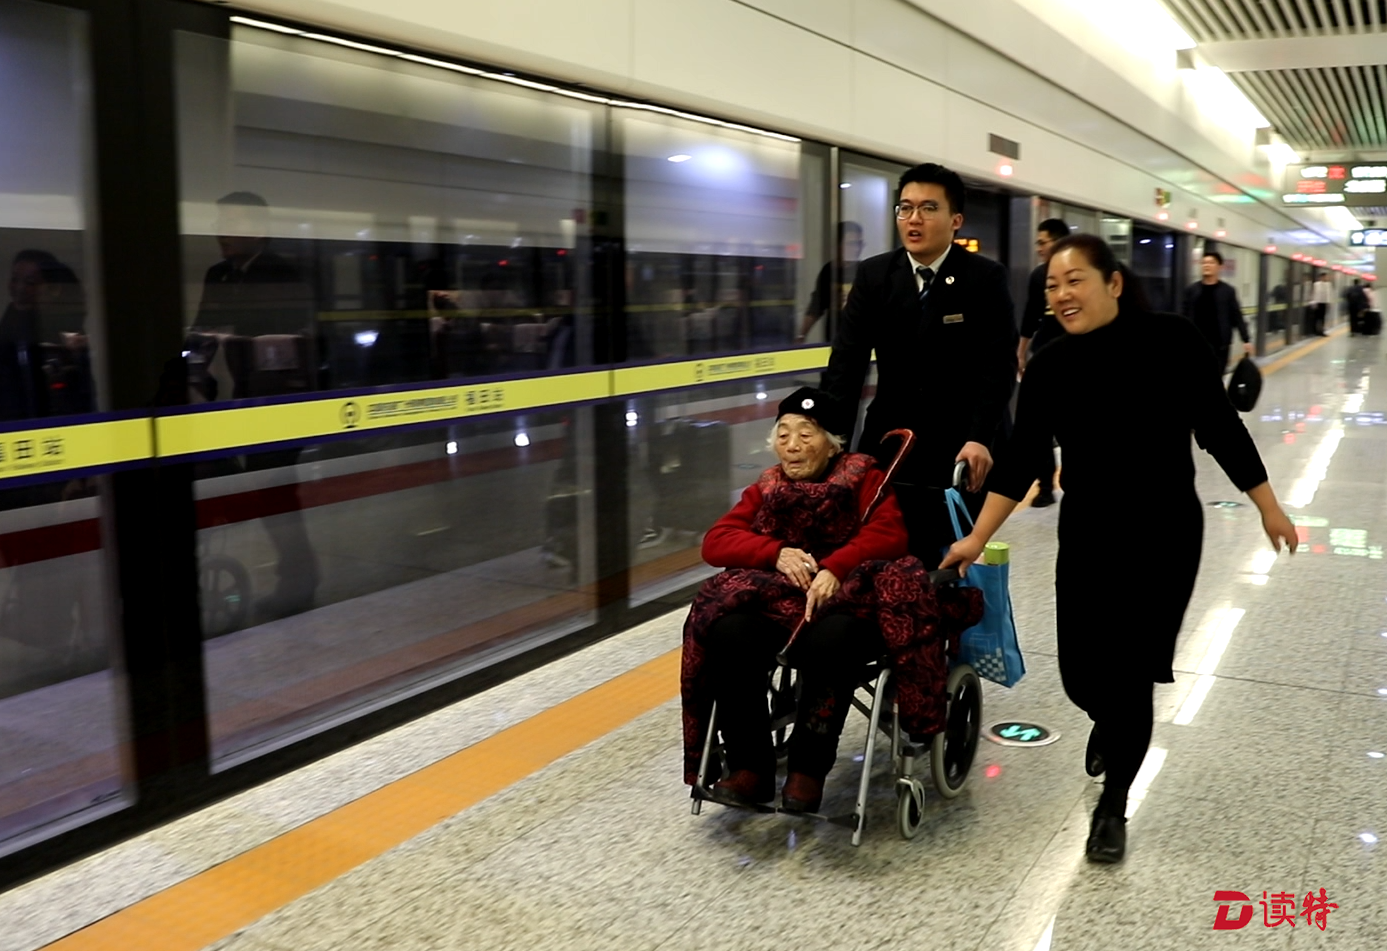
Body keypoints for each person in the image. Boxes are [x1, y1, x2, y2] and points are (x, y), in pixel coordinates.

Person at [941, 235, 1297, 864]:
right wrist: (977, 536)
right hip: (1089, 534)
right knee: (1081, 674)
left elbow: (1220, 426)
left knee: (1131, 676)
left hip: (1165, 535)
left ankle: (1113, 806)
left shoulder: (1172, 340)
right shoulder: (1050, 363)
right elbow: (1022, 459)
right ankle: (1107, 720)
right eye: (1052, 286)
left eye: (1075, 279)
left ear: (1113, 282)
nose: (1061, 294)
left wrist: (1268, 505)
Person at [681, 387, 981, 813]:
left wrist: (836, 568)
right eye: (783, 434)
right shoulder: (766, 487)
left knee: (830, 641)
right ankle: (750, 767)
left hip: (852, 602)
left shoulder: (865, 479)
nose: (792, 445)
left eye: (806, 434)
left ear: (833, 444)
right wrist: (775, 553)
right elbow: (716, 542)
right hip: (782, 602)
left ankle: (808, 770)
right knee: (727, 632)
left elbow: (889, 535)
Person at [821, 163, 1017, 568]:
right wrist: (831, 443)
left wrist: (980, 437)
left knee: (947, 562)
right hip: (891, 442)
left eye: (928, 208)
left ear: (955, 220)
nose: (914, 219)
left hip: (960, 446)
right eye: (905, 208)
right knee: (882, 555)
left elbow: (997, 366)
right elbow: (846, 365)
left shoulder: (983, 278)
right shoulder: (875, 275)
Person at [194, 192, 319, 621]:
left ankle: (298, 580)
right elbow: (205, 332)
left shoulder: (282, 274)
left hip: (277, 400)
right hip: (232, 397)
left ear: (259, 229)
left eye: (231, 222)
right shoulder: (219, 275)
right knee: (257, 489)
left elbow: (286, 342)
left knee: (275, 491)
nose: (221, 232)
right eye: (220, 222)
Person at [1017, 218, 1072, 508]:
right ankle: (1045, 486)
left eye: (1043, 242)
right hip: (1045, 358)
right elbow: (1031, 316)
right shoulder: (1039, 275)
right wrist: (1021, 352)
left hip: (1075, 359)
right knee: (1041, 426)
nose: (1039, 248)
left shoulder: (1078, 274)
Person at [1181, 250, 1251, 375]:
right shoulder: (1192, 290)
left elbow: (1236, 316)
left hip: (1220, 346)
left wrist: (1245, 339)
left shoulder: (1227, 291)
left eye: (1211, 263)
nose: (1206, 265)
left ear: (1220, 267)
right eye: (1204, 263)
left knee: (1217, 377)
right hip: (1195, 344)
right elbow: (1183, 316)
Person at [797, 221, 864, 343]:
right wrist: (801, 335)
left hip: (861, 341)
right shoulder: (829, 271)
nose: (856, 249)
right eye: (852, 244)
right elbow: (816, 307)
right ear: (838, 245)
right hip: (834, 340)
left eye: (859, 244)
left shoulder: (865, 271)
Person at [1308, 271, 1333, 336]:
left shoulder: (1328, 285)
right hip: (1317, 303)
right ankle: (1314, 331)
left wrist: (1329, 302)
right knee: (1316, 318)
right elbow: (1313, 294)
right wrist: (1313, 302)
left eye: (1326, 277)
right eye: (1325, 277)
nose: (1326, 278)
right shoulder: (1316, 284)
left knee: (1322, 318)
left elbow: (1329, 294)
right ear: (1321, 277)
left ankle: (1321, 331)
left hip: (1324, 303)